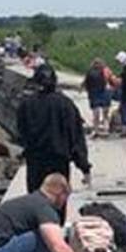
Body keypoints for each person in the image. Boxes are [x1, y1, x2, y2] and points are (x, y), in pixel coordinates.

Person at [16, 63, 91, 194]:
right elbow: (76, 137)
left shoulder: (26, 105)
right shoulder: (66, 104)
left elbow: (21, 132)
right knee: (57, 202)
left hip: (35, 161)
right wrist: (84, 167)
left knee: (36, 202)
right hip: (59, 162)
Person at [81, 57, 117, 137]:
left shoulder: (90, 71)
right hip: (104, 93)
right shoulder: (106, 70)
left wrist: (82, 88)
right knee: (105, 113)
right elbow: (113, 80)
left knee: (96, 112)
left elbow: (85, 82)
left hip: (94, 94)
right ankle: (105, 129)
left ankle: (96, 129)